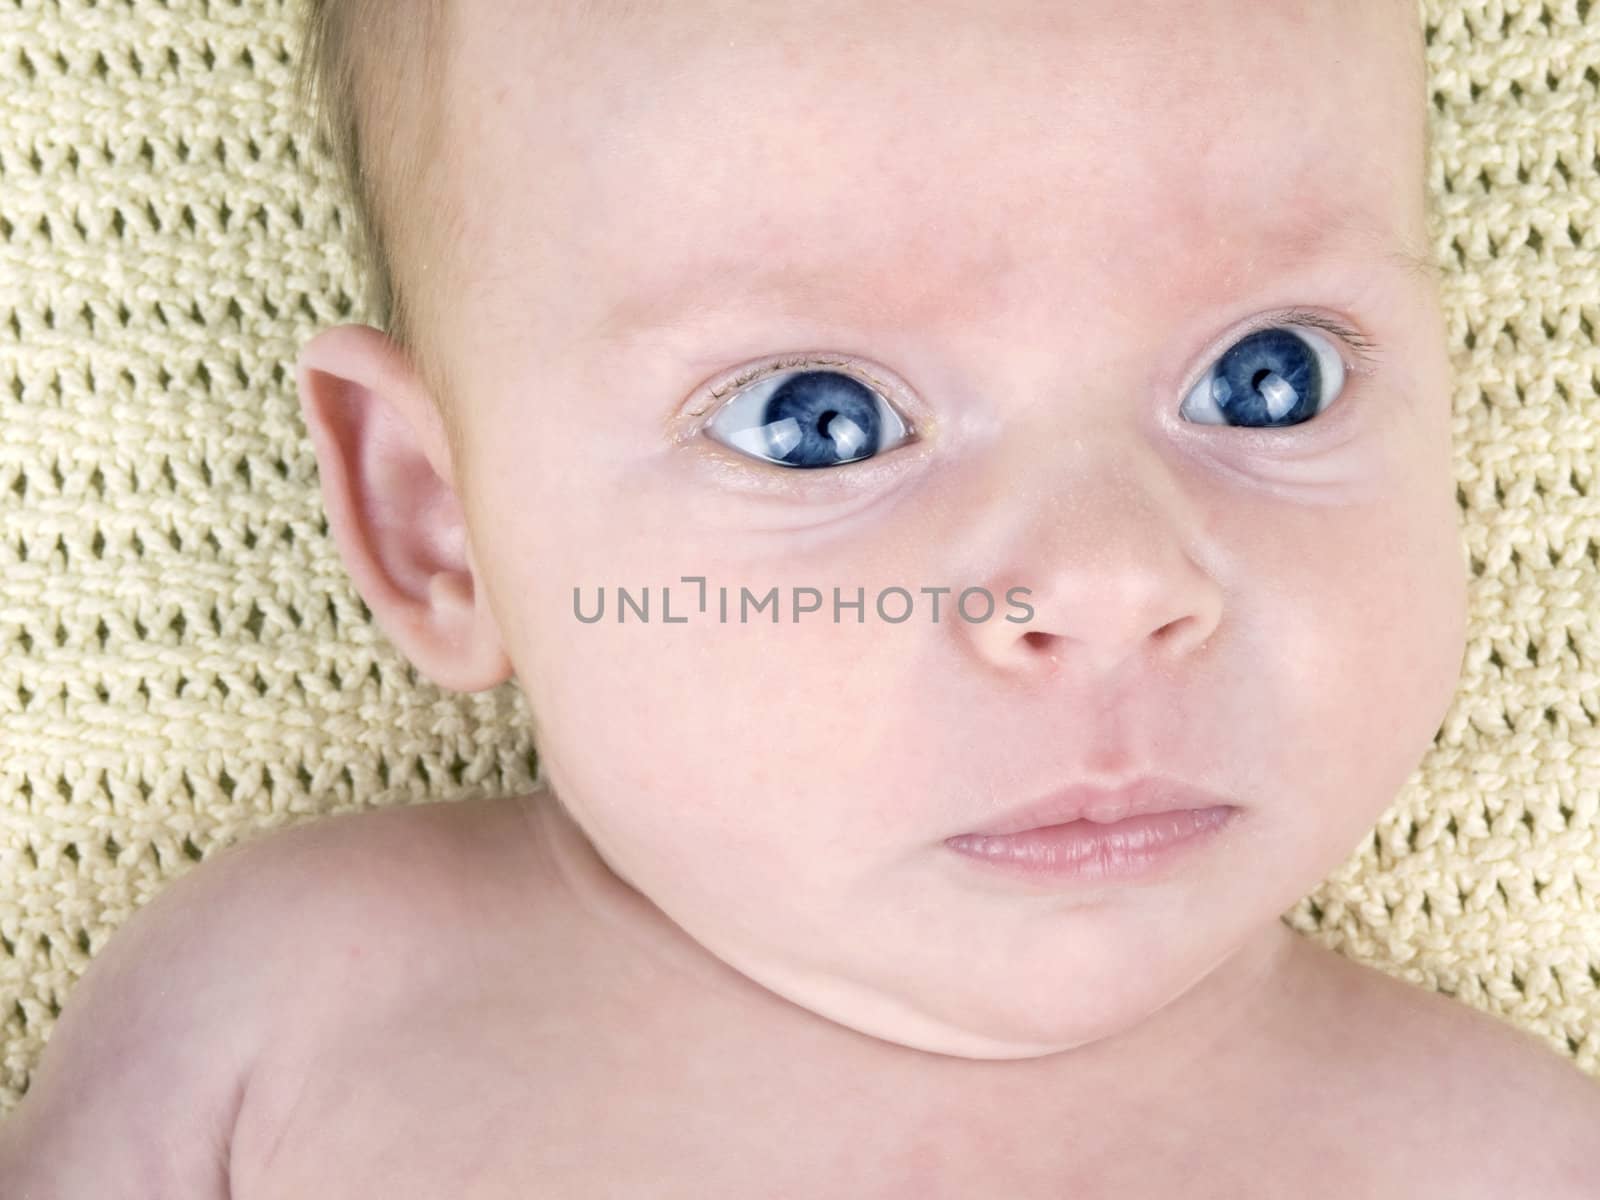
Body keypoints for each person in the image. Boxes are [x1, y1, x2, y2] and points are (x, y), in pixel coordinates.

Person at [5, 1, 1599, 1195]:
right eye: (816, 420)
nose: (1114, 582)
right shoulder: (297, 1006)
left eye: (1272, 380)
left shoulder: (1507, 1154)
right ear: (443, 527)